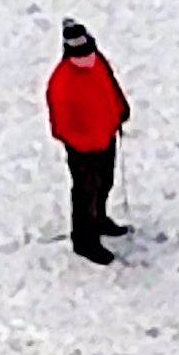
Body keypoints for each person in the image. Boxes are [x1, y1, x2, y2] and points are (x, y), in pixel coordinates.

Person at [44, 19, 132, 263]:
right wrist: (81, 144)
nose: (86, 58)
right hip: (83, 149)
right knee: (85, 194)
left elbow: (110, 84)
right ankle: (85, 240)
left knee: (105, 183)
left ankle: (100, 219)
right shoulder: (61, 82)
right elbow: (60, 124)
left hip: (106, 136)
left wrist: (120, 108)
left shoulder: (98, 60)